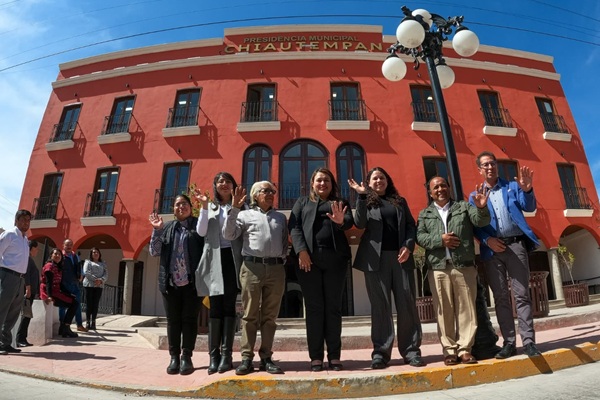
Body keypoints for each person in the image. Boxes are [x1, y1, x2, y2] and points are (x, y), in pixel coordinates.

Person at [349, 167, 425, 369]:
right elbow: (360, 222)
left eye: (382, 177)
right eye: (374, 178)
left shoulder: (399, 202)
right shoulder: (366, 202)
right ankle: (381, 353)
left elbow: (410, 225)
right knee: (380, 307)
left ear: (387, 180)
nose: (379, 181)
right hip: (375, 261)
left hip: (401, 258)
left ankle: (411, 351)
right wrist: (361, 196)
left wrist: (408, 246)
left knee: (407, 305)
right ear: (369, 183)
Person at [470, 151, 542, 358]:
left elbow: (529, 206)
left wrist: (527, 190)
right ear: (480, 170)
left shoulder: (512, 187)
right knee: (501, 298)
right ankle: (509, 342)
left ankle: (529, 342)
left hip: (516, 246)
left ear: (496, 166)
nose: (490, 167)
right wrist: (487, 241)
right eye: (485, 165)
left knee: (522, 295)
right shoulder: (475, 195)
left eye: (492, 163)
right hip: (492, 250)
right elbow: (474, 224)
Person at [417, 176, 491, 365]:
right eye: (435, 187)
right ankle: (449, 350)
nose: (440, 189)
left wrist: (482, 207)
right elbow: (421, 238)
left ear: (449, 187)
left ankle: (465, 349)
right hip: (438, 268)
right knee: (444, 310)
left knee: (467, 309)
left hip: (463, 266)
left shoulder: (463, 207)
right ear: (430, 192)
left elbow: (480, 222)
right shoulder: (425, 214)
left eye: (443, 185)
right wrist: (440, 240)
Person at [289, 168, 353, 372]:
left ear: (332, 183)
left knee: (333, 309)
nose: (322, 184)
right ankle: (315, 357)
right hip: (308, 261)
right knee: (315, 309)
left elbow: (350, 221)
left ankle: (334, 356)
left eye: (326, 180)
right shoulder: (302, 202)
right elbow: (294, 227)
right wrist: (301, 251)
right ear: (312, 183)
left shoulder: (340, 202)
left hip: (335, 260)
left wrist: (342, 221)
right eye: (319, 180)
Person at [222, 181, 287, 376]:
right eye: (265, 191)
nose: (270, 194)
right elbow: (228, 233)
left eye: (272, 191)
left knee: (270, 317)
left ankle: (266, 357)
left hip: (276, 269)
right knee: (249, 315)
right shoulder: (243, 214)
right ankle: (246, 358)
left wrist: (282, 258)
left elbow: (284, 242)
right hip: (251, 268)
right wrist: (234, 208)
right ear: (255, 195)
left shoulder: (280, 217)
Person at [194, 172, 244, 374]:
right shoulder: (210, 207)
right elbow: (201, 231)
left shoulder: (240, 206)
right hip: (214, 259)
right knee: (215, 308)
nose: (224, 184)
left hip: (232, 260)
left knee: (229, 307)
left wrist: (237, 207)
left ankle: (227, 356)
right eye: (220, 181)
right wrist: (204, 207)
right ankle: (213, 357)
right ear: (215, 186)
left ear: (233, 185)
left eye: (228, 181)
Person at [149, 194, 204, 375]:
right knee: (173, 321)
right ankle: (174, 357)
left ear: (190, 207)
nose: (181, 207)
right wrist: (157, 230)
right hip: (170, 283)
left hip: (192, 283)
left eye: (185, 204)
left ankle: (186, 356)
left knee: (189, 320)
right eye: (178, 204)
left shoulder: (198, 226)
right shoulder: (167, 228)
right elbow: (154, 252)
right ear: (173, 209)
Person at [0, 209, 31, 354]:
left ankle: (5, 343)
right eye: (23, 219)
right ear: (16, 220)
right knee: (2, 309)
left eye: (28, 220)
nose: (26, 222)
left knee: (13, 312)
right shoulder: (10, 235)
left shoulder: (25, 239)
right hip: (7, 276)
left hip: (20, 279)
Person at [40, 248, 79, 338]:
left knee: (74, 300)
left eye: (59, 254)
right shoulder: (49, 266)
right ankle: (65, 328)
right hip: (49, 291)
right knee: (74, 304)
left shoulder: (58, 267)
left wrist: (69, 293)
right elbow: (48, 282)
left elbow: (60, 284)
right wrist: (49, 296)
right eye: (55, 254)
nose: (57, 256)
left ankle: (64, 328)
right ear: (51, 256)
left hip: (56, 290)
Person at [16, 240, 41, 347]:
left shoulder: (30, 259)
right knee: (25, 315)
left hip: (31, 291)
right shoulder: (27, 259)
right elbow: (26, 274)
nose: (38, 251)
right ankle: (20, 339)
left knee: (27, 316)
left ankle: (22, 338)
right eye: (36, 248)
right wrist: (28, 289)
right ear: (32, 248)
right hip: (28, 292)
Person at [59, 239, 86, 332]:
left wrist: (81, 274)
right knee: (62, 306)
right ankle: (63, 326)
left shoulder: (75, 256)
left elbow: (79, 267)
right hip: (64, 284)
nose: (69, 246)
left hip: (75, 283)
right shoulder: (60, 256)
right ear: (63, 245)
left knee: (77, 304)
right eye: (67, 244)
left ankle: (79, 325)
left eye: (71, 244)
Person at [82, 247, 108, 331]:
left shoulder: (103, 263)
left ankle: (93, 322)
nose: (95, 254)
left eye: (97, 252)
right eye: (94, 252)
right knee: (89, 303)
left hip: (99, 286)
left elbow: (106, 273)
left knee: (95, 304)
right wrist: (95, 280)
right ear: (91, 254)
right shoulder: (88, 262)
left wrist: (101, 280)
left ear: (99, 254)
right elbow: (86, 272)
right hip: (89, 285)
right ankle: (88, 321)